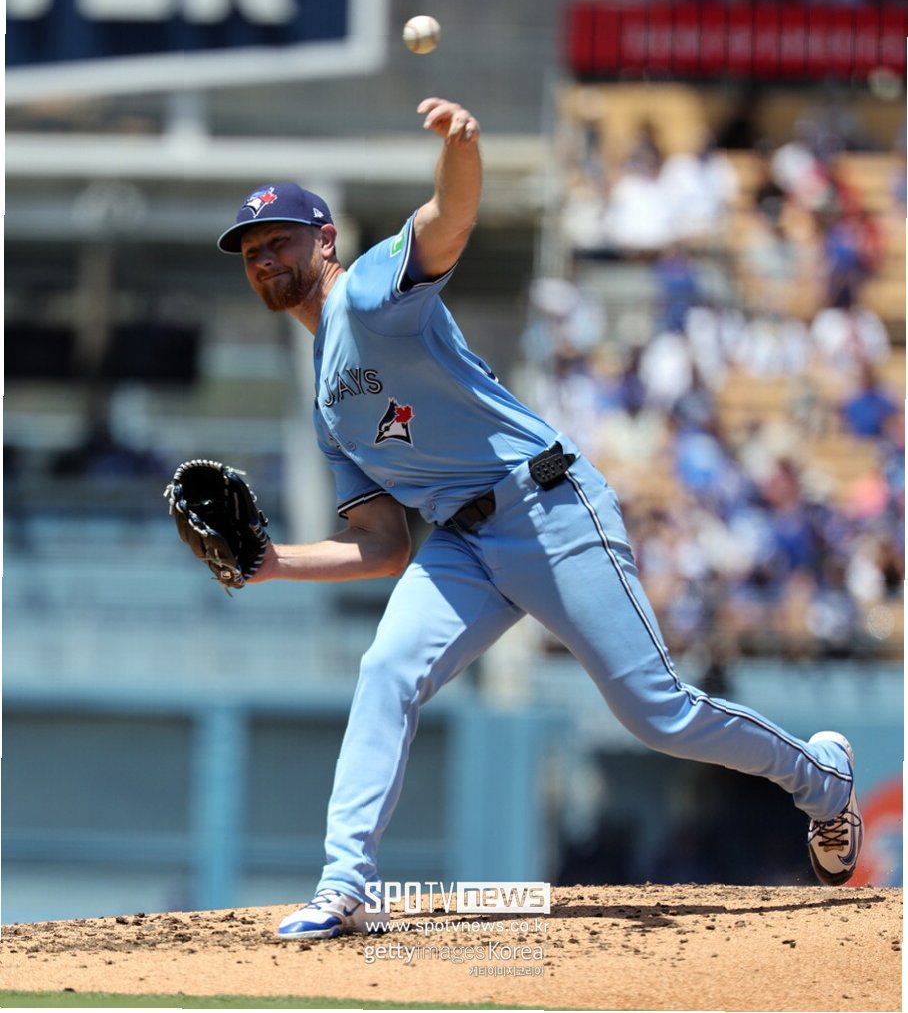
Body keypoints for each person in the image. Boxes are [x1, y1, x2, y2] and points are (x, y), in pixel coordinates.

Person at [216, 98, 863, 940]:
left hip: (547, 506)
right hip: (462, 542)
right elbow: (381, 546)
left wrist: (463, 147)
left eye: (280, 240)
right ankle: (346, 883)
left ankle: (824, 779)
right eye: (253, 252)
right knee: (386, 669)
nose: (266, 258)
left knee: (657, 713)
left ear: (325, 240)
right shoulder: (326, 407)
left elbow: (448, 220)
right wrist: (272, 561)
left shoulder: (369, 292)